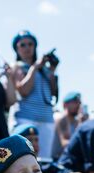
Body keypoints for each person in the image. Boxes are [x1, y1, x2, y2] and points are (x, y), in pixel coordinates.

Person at [9, 30, 58, 159]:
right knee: (24, 156)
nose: (27, 48)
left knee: (45, 159)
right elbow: (23, 91)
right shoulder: (17, 67)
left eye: (30, 44)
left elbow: (53, 93)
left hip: (46, 118)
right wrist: (34, 68)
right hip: (25, 117)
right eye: (22, 45)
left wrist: (52, 70)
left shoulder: (44, 69)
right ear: (16, 49)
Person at [51, 91, 82, 160]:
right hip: (57, 160)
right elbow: (65, 144)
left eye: (79, 102)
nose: (78, 105)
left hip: (67, 159)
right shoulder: (62, 118)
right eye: (75, 102)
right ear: (65, 104)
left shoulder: (77, 121)